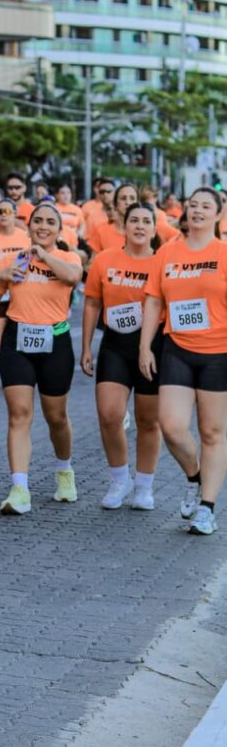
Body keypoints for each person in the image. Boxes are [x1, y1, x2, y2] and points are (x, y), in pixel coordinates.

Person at [0, 202, 83, 514]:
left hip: (55, 341)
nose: (43, 226)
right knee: (19, 414)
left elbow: (73, 278)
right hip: (18, 340)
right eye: (38, 221)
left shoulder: (67, 257)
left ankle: (64, 470)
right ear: (29, 226)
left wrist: (44, 255)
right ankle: (19, 489)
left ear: (59, 230)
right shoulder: (13, 260)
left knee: (56, 417)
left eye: (50, 222)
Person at [140, 187, 227, 536]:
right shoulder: (167, 253)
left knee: (212, 432)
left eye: (206, 206)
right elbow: (153, 301)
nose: (198, 210)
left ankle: (207, 508)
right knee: (171, 426)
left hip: (219, 352)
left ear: (219, 214)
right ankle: (195, 476)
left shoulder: (223, 253)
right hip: (176, 347)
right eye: (193, 205)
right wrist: (145, 347)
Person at [81, 203, 163, 511]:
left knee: (148, 420)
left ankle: (144, 486)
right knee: (109, 414)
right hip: (115, 344)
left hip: (153, 346)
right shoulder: (105, 260)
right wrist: (86, 347)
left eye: (146, 221)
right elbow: (92, 303)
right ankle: (119, 479)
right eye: (134, 221)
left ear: (154, 228)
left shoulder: (162, 262)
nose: (140, 226)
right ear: (124, 226)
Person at [0, 197, 30, 352]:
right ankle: (7, 355)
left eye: (7, 211)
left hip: (20, 290)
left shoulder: (26, 236)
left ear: (15, 214)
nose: (3, 215)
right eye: (0, 212)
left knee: (21, 336)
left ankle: (13, 358)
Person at [88, 183, 140, 255]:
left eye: (132, 198)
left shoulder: (145, 231)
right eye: (123, 198)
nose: (128, 202)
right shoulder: (101, 231)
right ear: (115, 204)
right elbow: (94, 260)